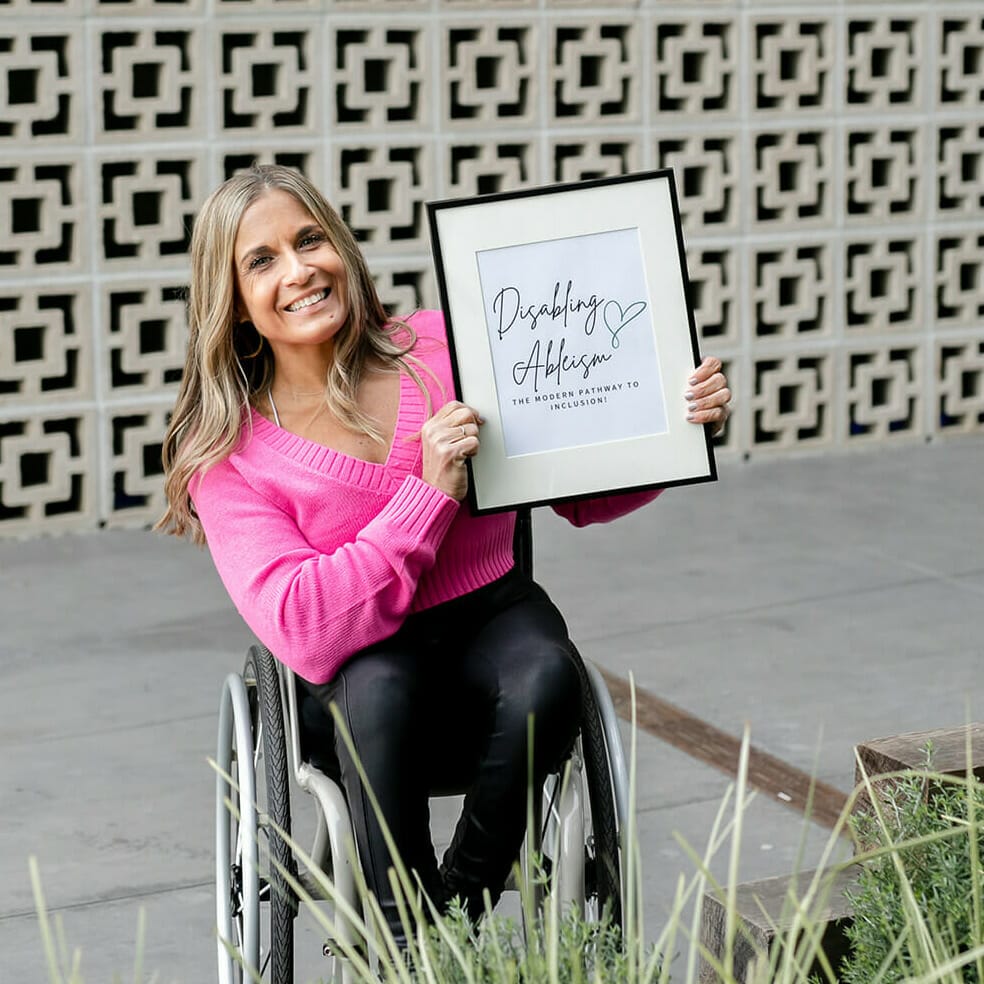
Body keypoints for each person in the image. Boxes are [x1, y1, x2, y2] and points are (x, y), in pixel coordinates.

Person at [158, 164, 731, 945]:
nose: (298, 270)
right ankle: (400, 942)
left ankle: (454, 909)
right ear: (233, 300)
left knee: (548, 671)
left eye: (309, 239)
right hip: (362, 680)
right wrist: (428, 495)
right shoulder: (229, 453)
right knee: (382, 686)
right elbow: (305, 627)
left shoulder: (442, 346)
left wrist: (677, 427)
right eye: (261, 261)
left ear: (342, 249)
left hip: (489, 622)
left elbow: (579, 489)